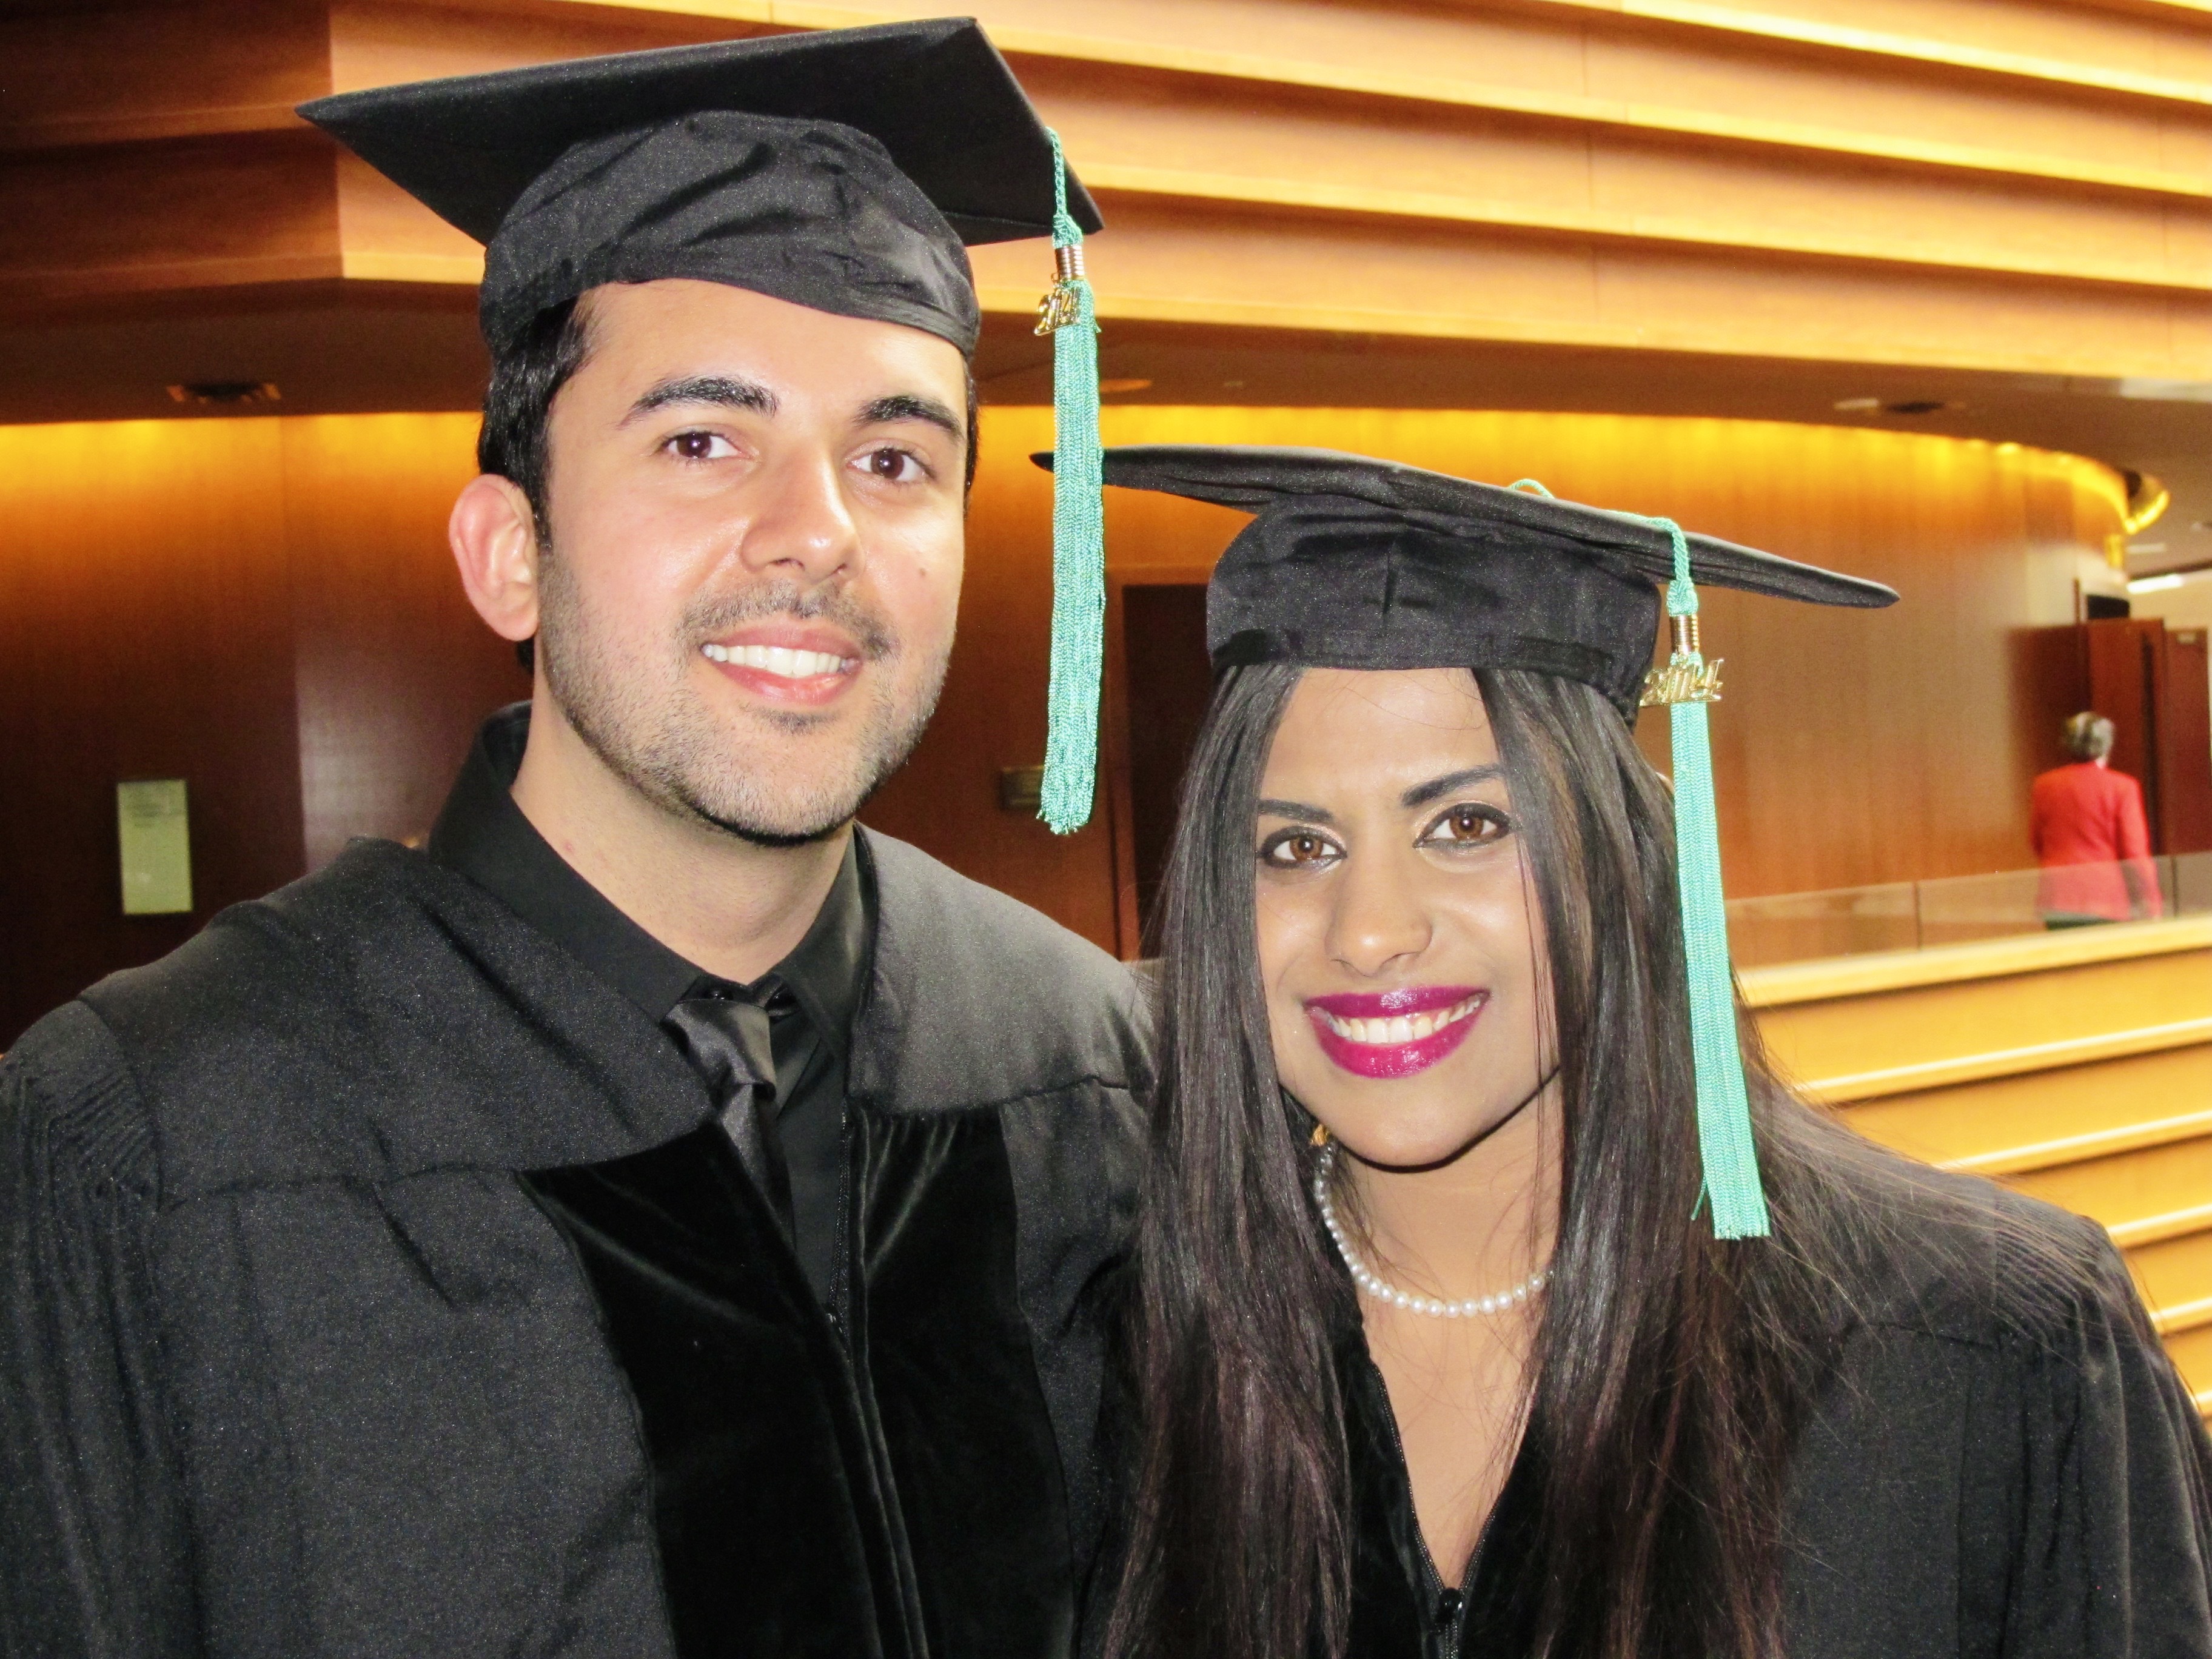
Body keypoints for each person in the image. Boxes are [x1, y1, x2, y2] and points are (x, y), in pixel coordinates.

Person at [0, 24, 1146, 1657]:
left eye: (896, 459)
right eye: (702, 441)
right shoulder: (156, 1133)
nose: (817, 530)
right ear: (508, 554)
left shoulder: (1079, 1057)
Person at [1081, 446, 2212, 1659]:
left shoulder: (1984, 1349)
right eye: (1293, 849)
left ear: (1623, 860)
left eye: (1469, 825)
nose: (1368, 932)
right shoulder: (1141, 1348)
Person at [2033, 710, 2163, 927]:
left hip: (2058, 897)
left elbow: (2037, 842)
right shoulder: (2123, 787)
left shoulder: (2044, 786)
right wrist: (2152, 903)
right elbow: (2134, 853)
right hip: (2106, 898)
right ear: (2107, 744)